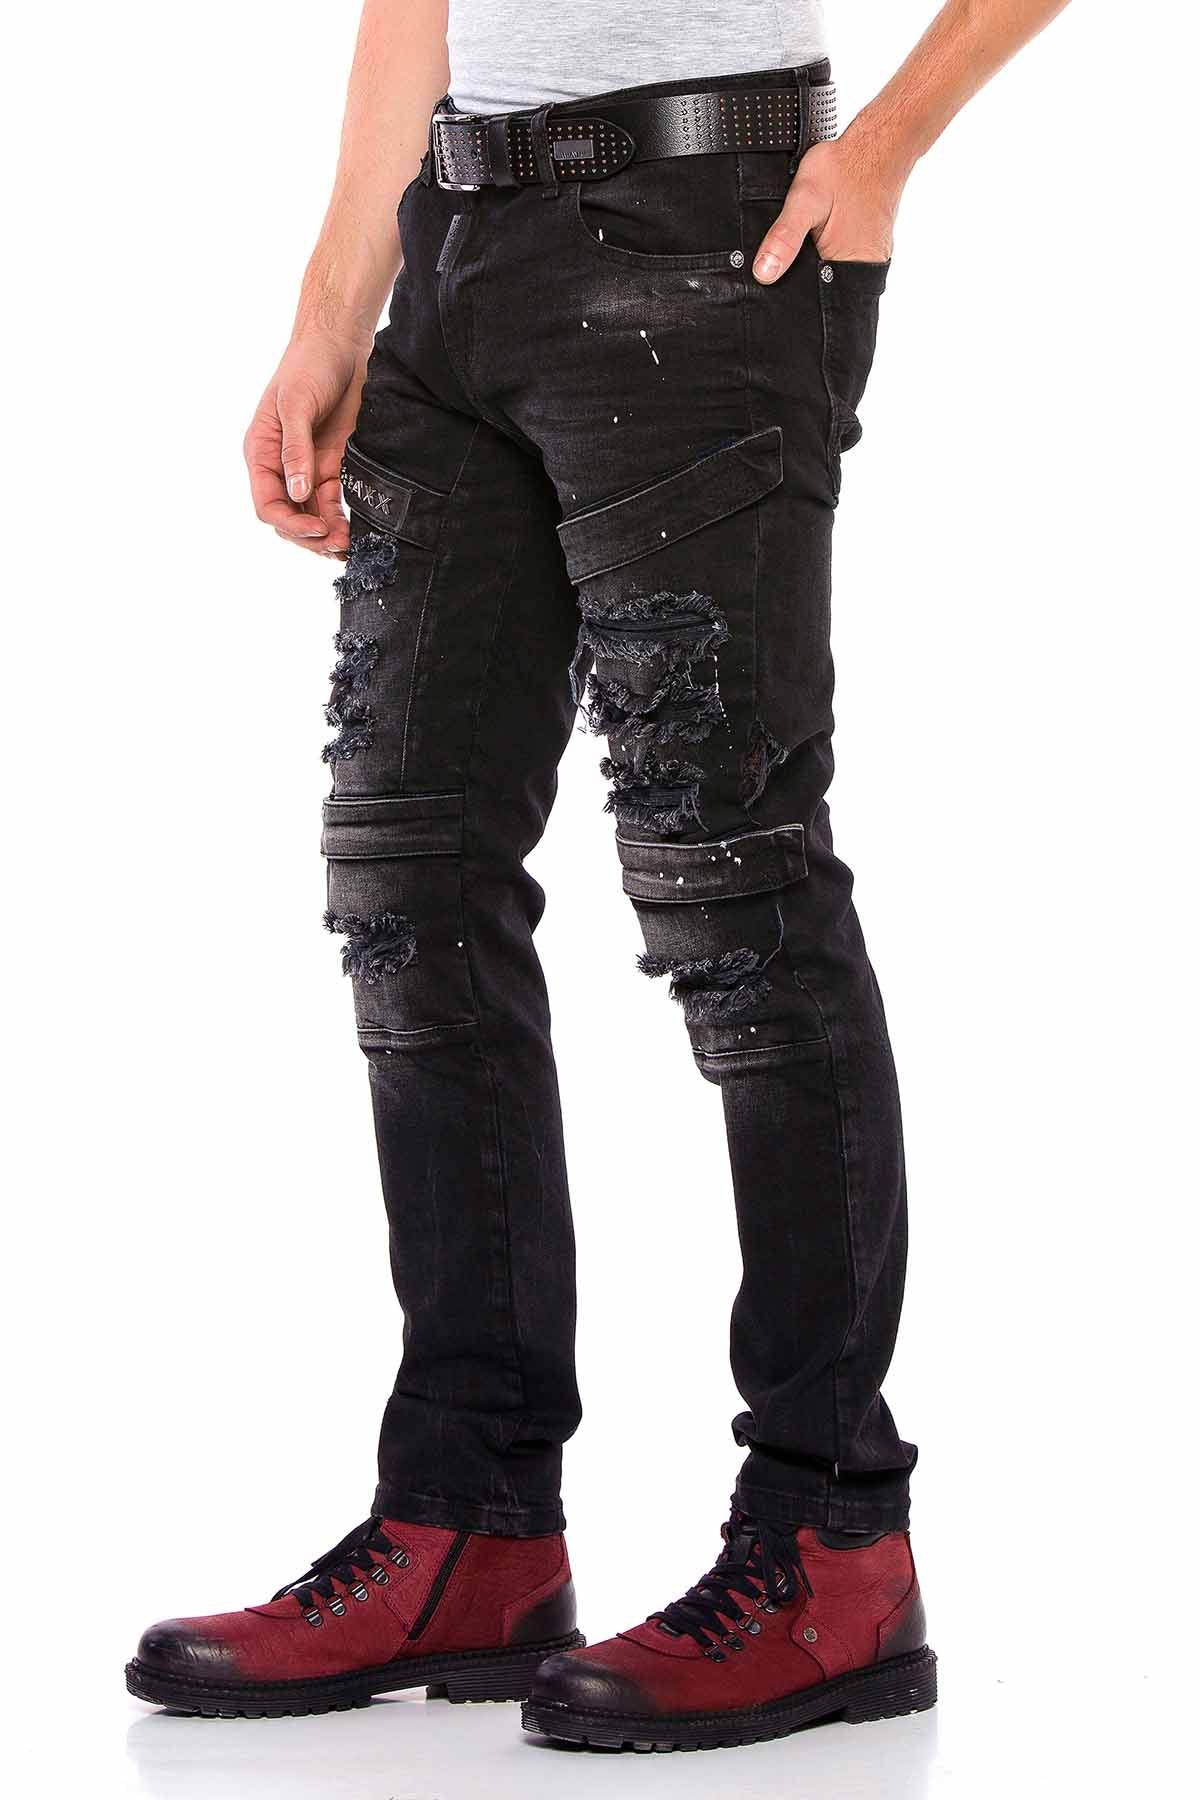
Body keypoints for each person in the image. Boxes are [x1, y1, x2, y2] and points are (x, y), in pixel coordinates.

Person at [126, 0, 1070, 1750]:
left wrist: (884, 150)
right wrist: (332, 309)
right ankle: (471, 1524)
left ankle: (833, 1545)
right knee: (408, 881)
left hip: (710, 233)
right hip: (455, 253)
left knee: (733, 886)